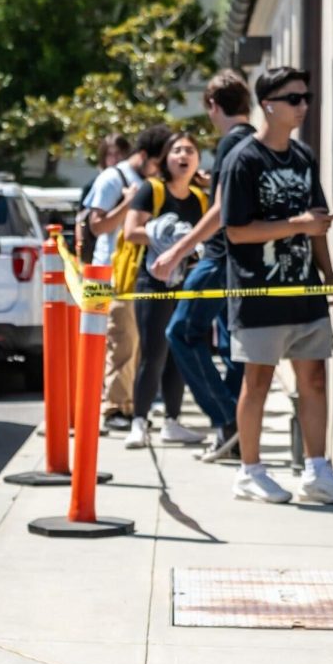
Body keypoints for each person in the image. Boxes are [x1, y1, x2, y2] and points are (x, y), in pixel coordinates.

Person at [219, 66, 333, 504]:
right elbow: (236, 231)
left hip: (304, 290)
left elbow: (317, 221)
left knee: (314, 378)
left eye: (306, 98)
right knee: (257, 381)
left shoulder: (303, 157)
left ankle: (318, 471)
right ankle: (250, 471)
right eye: (294, 99)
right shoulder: (243, 159)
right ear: (268, 105)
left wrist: (329, 274)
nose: (302, 107)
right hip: (259, 290)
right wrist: (293, 225)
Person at [150, 70, 254, 462]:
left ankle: (229, 418)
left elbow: (220, 211)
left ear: (213, 105)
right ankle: (235, 432)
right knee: (232, 347)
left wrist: (176, 251)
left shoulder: (230, 143)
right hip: (247, 260)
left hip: (220, 256)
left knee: (181, 332)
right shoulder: (257, 141)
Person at [121, 132, 208, 449]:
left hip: (187, 281)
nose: (184, 155)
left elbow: (205, 239)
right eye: (177, 150)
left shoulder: (200, 198)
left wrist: (191, 247)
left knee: (179, 352)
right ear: (165, 159)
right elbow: (131, 233)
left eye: (190, 150)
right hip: (152, 281)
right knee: (153, 351)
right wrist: (164, 235)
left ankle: (172, 421)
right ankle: (139, 422)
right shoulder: (152, 190)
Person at [83, 124, 171, 431]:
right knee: (118, 341)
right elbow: (97, 226)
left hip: (134, 271)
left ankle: (125, 404)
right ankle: (114, 409)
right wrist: (128, 203)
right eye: (161, 162)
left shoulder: (151, 180)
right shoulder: (113, 178)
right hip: (106, 273)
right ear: (145, 156)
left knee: (131, 342)